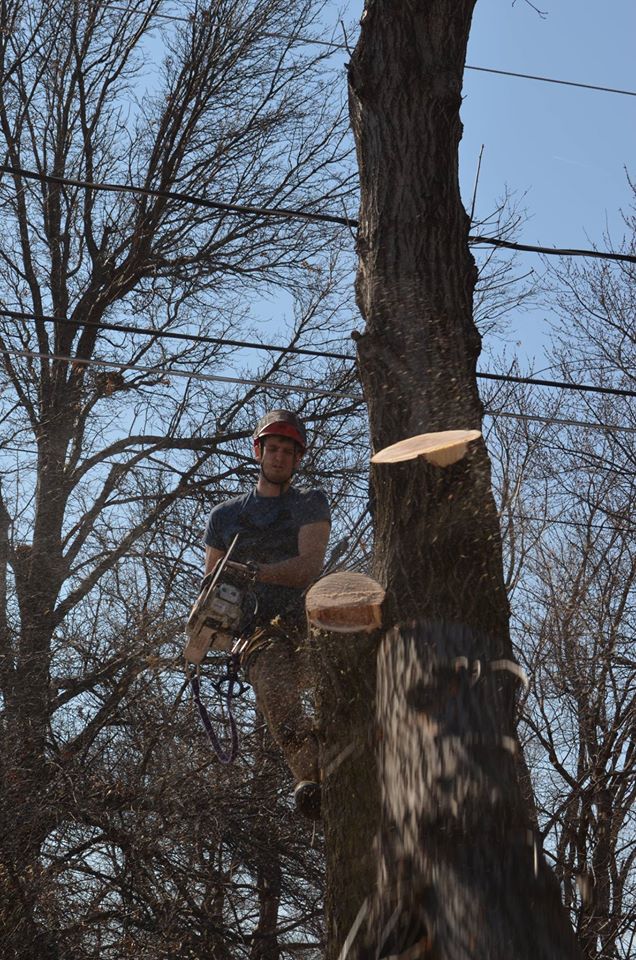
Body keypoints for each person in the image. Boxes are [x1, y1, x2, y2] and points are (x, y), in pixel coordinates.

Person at [203, 409, 331, 819]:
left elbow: (309, 567)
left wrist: (256, 572)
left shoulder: (310, 504)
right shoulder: (225, 516)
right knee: (280, 703)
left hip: (310, 626)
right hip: (258, 635)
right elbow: (212, 583)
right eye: (272, 448)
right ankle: (312, 779)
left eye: (286, 451)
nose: (278, 457)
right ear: (258, 452)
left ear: (297, 458)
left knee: (349, 681)